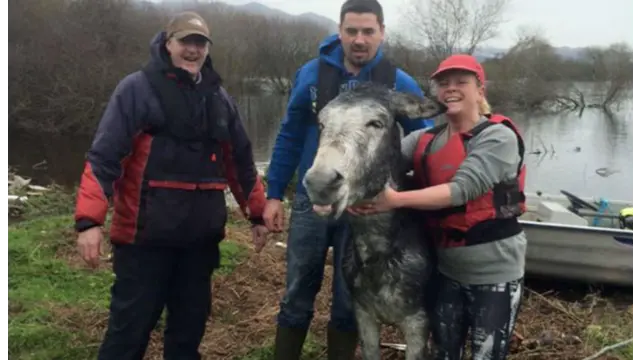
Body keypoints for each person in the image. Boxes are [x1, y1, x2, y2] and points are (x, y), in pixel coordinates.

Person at [73, 11, 269, 360]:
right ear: (168, 44)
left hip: (199, 244)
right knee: (128, 334)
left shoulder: (220, 99)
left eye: (200, 43)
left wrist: (256, 214)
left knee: (187, 336)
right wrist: (89, 222)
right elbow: (104, 158)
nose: (193, 50)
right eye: (185, 42)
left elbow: (240, 163)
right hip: (144, 241)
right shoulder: (136, 89)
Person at [261, 0, 436, 359]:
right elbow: (290, 136)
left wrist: (425, 197)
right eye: (352, 31)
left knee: (349, 302)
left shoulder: (396, 82)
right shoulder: (311, 75)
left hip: (370, 210)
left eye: (368, 31)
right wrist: (275, 193)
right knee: (297, 291)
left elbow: (427, 143)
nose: (359, 39)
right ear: (339, 32)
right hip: (315, 200)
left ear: (382, 33)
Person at [349, 54, 528, 360]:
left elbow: (461, 190)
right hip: (445, 270)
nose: (451, 89)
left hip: (494, 272)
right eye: (443, 83)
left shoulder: (499, 137)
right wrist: (349, 189)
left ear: (480, 90)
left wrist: (394, 200)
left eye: (462, 82)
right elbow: (381, 165)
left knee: (486, 356)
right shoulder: (423, 140)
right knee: (444, 353)